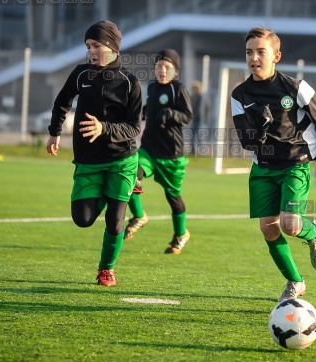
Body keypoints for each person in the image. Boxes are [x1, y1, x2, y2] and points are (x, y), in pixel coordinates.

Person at [230, 27, 316, 302]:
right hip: (262, 168)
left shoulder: (295, 87)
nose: (254, 57)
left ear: (276, 56)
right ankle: (296, 282)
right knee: (268, 228)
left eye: (261, 51)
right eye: (249, 52)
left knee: (291, 225)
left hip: (294, 165)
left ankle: (314, 232)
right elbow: (245, 141)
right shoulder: (239, 95)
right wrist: (258, 132)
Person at [46, 20, 142, 287]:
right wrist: (55, 131)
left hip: (121, 160)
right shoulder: (80, 74)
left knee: (115, 222)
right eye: (88, 46)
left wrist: (104, 128)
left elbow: (133, 127)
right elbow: (62, 102)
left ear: (111, 47)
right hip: (88, 161)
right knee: (83, 219)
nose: (91, 51)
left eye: (96, 45)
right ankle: (116, 189)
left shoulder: (130, 82)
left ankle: (106, 270)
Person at [123, 49, 194, 255]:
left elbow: (188, 116)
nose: (162, 71)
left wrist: (170, 113)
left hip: (172, 155)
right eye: (158, 67)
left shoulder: (178, 90)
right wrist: (139, 112)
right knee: (129, 176)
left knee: (173, 198)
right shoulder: (152, 86)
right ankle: (138, 216)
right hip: (148, 151)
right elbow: (149, 108)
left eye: (167, 67)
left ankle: (181, 234)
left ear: (175, 71)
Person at [189, 80, 211, 155]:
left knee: (200, 135)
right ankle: (192, 150)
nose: (195, 90)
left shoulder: (203, 98)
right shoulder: (192, 97)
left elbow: (207, 108)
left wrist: (206, 118)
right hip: (194, 119)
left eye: (196, 88)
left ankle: (202, 150)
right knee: (192, 134)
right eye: (194, 89)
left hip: (200, 119)